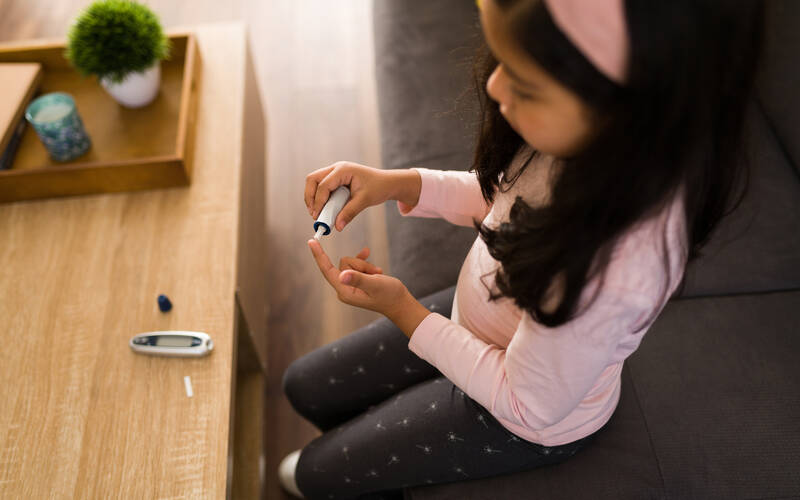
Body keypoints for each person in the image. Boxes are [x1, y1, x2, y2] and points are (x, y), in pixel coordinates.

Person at [280, 0, 764, 498]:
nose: (494, 87)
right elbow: (510, 198)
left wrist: (403, 311)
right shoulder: (581, 145)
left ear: (623, 116)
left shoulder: (613, 273)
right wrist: (397, 184)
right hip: (484, 319)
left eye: (525, 83)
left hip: (516, 413)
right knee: (304, 385)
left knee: (313, 474)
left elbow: (526, 403)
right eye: (503, 60)